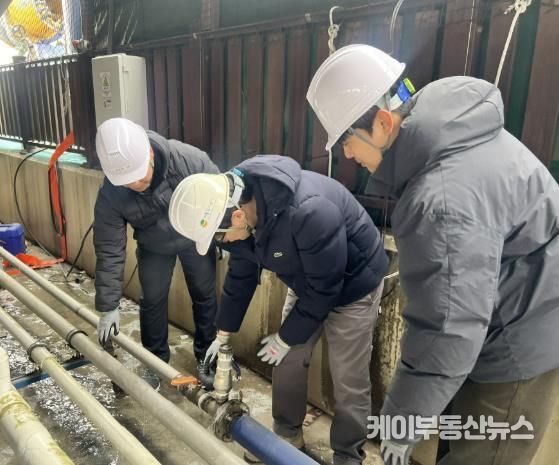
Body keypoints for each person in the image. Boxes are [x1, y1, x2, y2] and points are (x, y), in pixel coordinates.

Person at [307, 44, 559, 465]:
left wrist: (401, 421)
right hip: (512, 314)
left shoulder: (442, 197)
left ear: (383, 122)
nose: (346, 155)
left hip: (519, 343)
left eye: (347, 141)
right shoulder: (455, 137)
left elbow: (448, 326)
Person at [168, 155, 388, 464]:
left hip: (353, 285)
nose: (222, 243)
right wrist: (223, 334)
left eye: (220, 237)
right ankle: (287, 434)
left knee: (348, 377)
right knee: (288, 360)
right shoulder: (237, 207)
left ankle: (348, 454)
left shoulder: (309, 211)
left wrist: (285, 337)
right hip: (306, 279)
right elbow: (241, 274)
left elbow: (325, 290)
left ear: (237, 218)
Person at [93, 117, 219, 390]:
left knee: (204, 294)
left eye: (140, 177)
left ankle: (209, 358)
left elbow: (220, 198)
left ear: (149, 154)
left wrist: (219, 235)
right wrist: (108, 305)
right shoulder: (111, 193)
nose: (136, 185)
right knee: (152, 300)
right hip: (153, 244)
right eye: (128, 182)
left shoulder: (188, 161)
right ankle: (154, 361)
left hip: (195, 236)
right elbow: (109, 249)